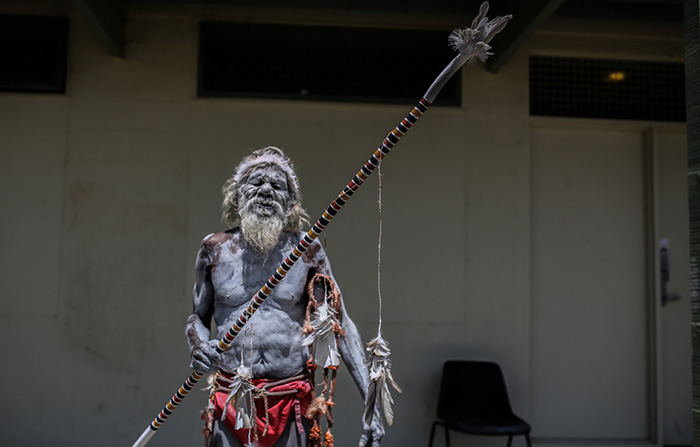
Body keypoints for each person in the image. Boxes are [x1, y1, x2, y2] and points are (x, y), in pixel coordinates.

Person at [185, 146, 384, 447]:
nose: (266, 189)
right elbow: (198, 317)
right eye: (256, 182)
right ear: (238, 195)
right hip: (233, 396)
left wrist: (371, 407)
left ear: (290, 201)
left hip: (290, 397)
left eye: (277, 185)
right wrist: (198, 347)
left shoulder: (306, 250)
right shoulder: (215, 248)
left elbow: (339, 325)